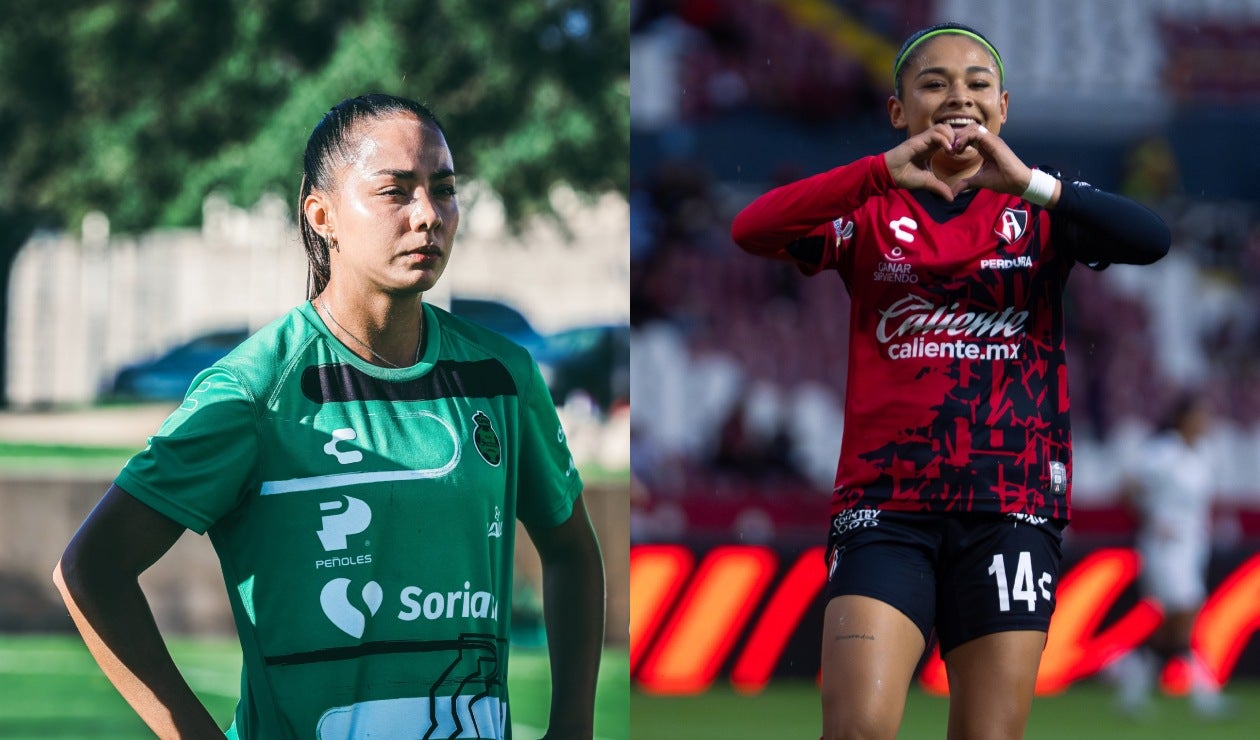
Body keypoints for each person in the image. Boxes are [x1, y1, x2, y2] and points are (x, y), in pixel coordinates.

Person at [53, 93, 605, 740]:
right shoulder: (255, 390)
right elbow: (91, 569)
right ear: (323, 216)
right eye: (396, 191)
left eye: (444, 189)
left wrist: (573, 725)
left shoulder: (502, 375)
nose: (428, 215)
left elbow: (571, 551)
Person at [729, 22, 1170, 740]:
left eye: (976, 83)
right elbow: (753, 228)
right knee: (857, 728)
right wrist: (877, 172)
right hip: (885, 510)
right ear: (899, 111)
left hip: (1012, 510)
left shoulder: (1043, 210)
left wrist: (1032, 182)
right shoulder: (869, 210)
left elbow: (1153, 239)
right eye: (933, 82)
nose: (957, 96)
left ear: (1004, 106)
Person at [1114, 392, 1229, 718]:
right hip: (1164, 544)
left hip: (1194, 543)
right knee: (1186, 608)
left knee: (1174, 621)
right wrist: (1151, 515)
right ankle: (1203, 691)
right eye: (1199, 415)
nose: (1205, 422)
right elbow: (1128, 486)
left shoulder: (1205, 453)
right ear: (1183, 419)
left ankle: (1132, 678)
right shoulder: (1161, 452)